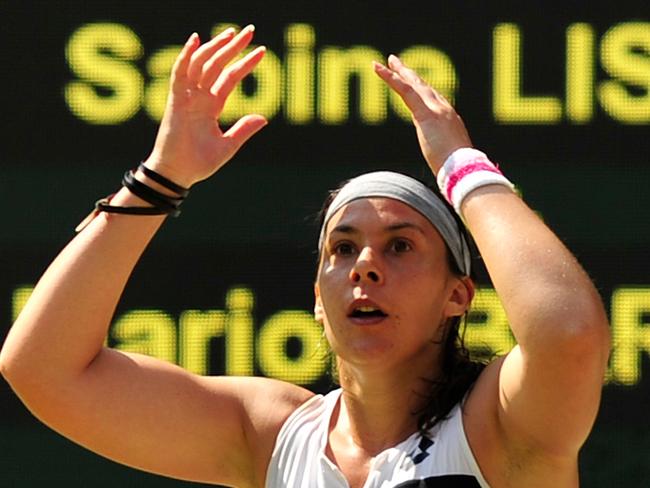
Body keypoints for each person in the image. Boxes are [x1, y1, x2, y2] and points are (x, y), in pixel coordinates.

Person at [0, 25, 610, 488]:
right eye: (342, 249)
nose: (365, 267)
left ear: (458, 295)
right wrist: (162, 177)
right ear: (318, 300)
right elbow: (41, 368)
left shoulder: (502, 427)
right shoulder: (269, 434)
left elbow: (569, 332)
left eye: (401, 245)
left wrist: (461, 168)